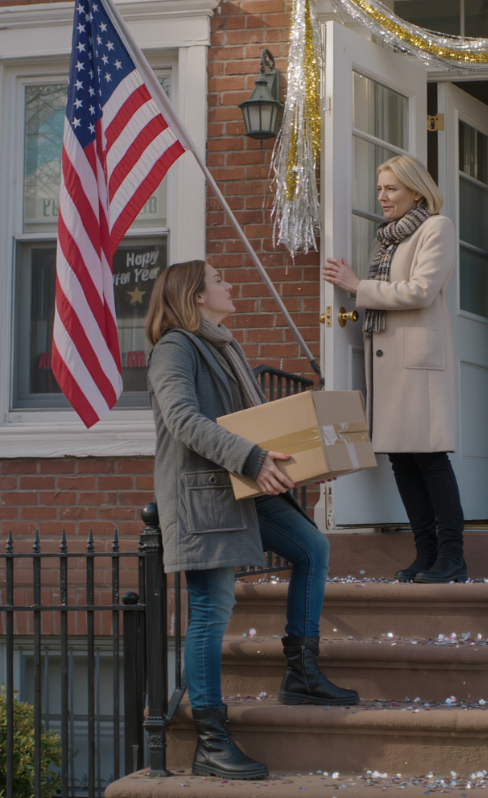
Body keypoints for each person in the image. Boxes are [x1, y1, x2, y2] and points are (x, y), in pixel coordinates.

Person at [145, 260, 359, 780]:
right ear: (196, 296)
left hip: (242, 485)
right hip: (206, 494)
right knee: (211, 610)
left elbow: (257, 425)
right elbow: (183, 420)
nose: (229, 284)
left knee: (312, 548)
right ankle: (211, 742)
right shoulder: (174, 347)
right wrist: (252, 459)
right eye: (218, 280)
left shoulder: (224, 345)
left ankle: (301, 674)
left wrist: (306, 465)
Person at [323, 155, 466, 583]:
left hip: (418, 362)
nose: (382, 197)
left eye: (392, 189)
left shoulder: (436, 227)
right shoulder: (385, 238)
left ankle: (453, 556)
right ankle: (425, 553)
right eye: (380, 189)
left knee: (431, 458)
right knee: (402, 462)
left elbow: (422, 291)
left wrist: (357, 286)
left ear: (417, 192)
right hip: (387, 362)